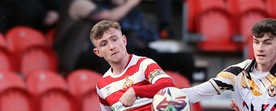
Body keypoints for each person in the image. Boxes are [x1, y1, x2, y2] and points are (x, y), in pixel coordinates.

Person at [54, 0, 194, 82]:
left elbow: (150, 35)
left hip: (113, 52)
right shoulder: (79, 3)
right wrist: (130, 3)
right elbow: (107, 19)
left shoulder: (113, 7)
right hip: (77, 56)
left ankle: (183, 100)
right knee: (112, 59)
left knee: (182, 59)